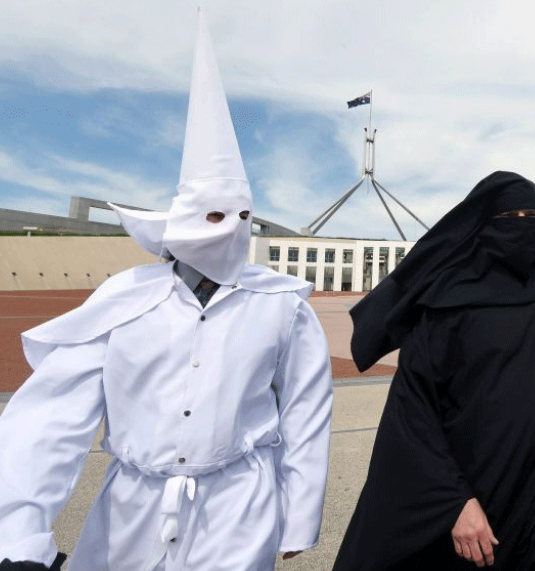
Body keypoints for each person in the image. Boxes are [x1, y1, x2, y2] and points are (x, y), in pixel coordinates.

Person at [0, 11, 332, 571]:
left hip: (238, 510)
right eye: (214, 216)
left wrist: (299, 512)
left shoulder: (282, 308)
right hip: (131, 512)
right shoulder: (121, 302)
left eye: (243, 216)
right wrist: (18, 536)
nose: (230, 229)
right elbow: (50, 421)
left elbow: (305, 409)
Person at [333, 171, 535, 571]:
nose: (526, 225)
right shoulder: (448, 302)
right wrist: (453, 502)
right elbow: (413, 413)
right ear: (487, 222)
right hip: (472, 490)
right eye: (515, 214)